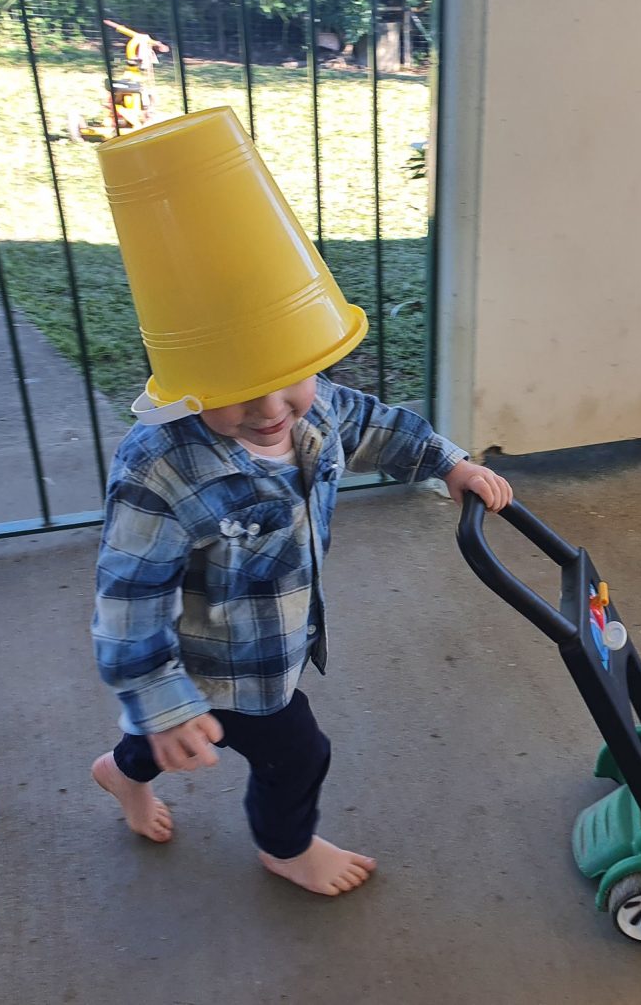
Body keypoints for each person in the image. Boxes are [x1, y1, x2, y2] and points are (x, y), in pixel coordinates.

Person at [88, 107, 512, 898]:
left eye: (291, 376)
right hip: (215, 662)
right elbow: (128, 600)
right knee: (296, 751)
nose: (270, 407)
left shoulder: (315, 412)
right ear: (188, 379)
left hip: (276, 640)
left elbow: (374, 425)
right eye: (237, 389)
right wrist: (160, 696)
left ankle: (122, 768)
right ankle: (285, 847)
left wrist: (446, 462)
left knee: (168, 739)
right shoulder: (162, 468)